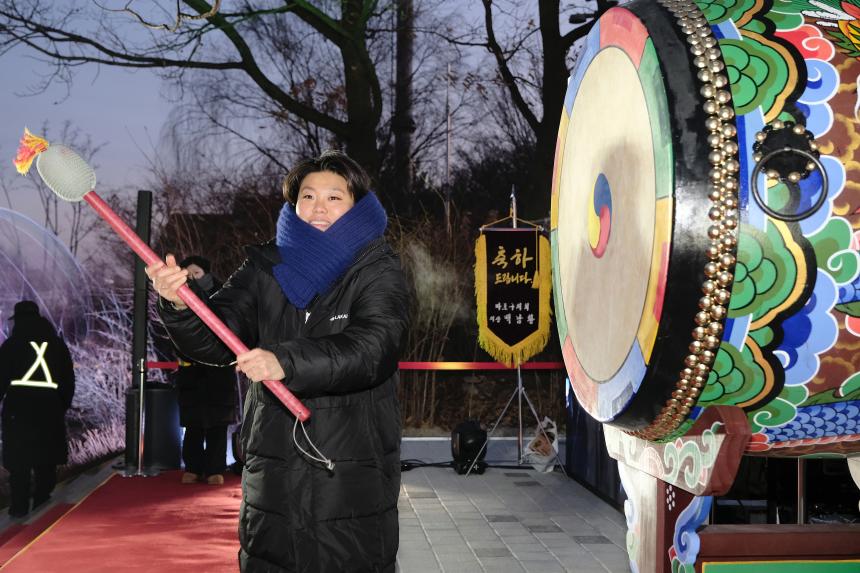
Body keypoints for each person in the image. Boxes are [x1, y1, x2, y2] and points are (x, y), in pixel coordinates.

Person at [147, 150, 409, 573]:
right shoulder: (264, 267)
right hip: (272, 467)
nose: (318, 207)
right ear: (293, 204)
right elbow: (218, 339)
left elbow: (374, 348)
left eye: (334, 197)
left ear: (356, 205)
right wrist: (180, 306)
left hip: (348, 469)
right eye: (307, 196)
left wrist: (285, 360)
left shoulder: (376, 269)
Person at [0, 300, 75, 518]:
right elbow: (68, 381)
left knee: (19, 462)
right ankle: (43, 507)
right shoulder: (57, 345)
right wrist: (59, 406)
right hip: (48, 406)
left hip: (19, 407)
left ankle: (19, 509)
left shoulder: (11, 345)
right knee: (46, 460)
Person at [175, 255, 238, 486]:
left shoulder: (224, 295)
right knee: (192, 422)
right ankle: (192, 467)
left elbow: (234, 326)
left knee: (217, 423)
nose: (192, 278)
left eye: (197, 273)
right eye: (188, 274)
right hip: (191, 370)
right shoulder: (177, 298)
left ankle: (214, 469)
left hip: (218, 368)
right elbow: (175, 333)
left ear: (207, 273)